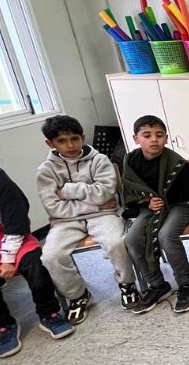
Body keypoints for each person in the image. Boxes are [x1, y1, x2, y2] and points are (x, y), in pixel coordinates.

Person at [0, 129, 74, 358]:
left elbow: (16, 226)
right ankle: (4, 326)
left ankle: (49, 314)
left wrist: (7, 260)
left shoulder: (2, 185)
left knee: (36, 266)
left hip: (11, 237)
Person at [36, 114, 139, 323]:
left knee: (117, 242)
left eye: (74, 139)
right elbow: (53, 207)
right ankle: (78, 296)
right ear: (51, 143)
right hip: (65, 221)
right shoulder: (45, 171)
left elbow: (105, 193)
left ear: (82, 137)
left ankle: (127, 284)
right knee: (50, 256)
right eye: (62, 141)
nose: (70, 145)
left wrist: (67, 191)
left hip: (104, 214)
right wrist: (93, 203)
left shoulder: (99, 160)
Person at [122, 115, 189, 314]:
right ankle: (157, 285)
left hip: (179, 205)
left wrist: (163, 200)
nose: (154, 139)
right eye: (147, 135)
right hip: (149, 207)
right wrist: (146, 201)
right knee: (132, 239)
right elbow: (130, 190)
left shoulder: (179, 164)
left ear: (166, 138)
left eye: (159, 135)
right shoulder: (131, 161)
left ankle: (185, 284)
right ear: (136, 138)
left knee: (166, 235)